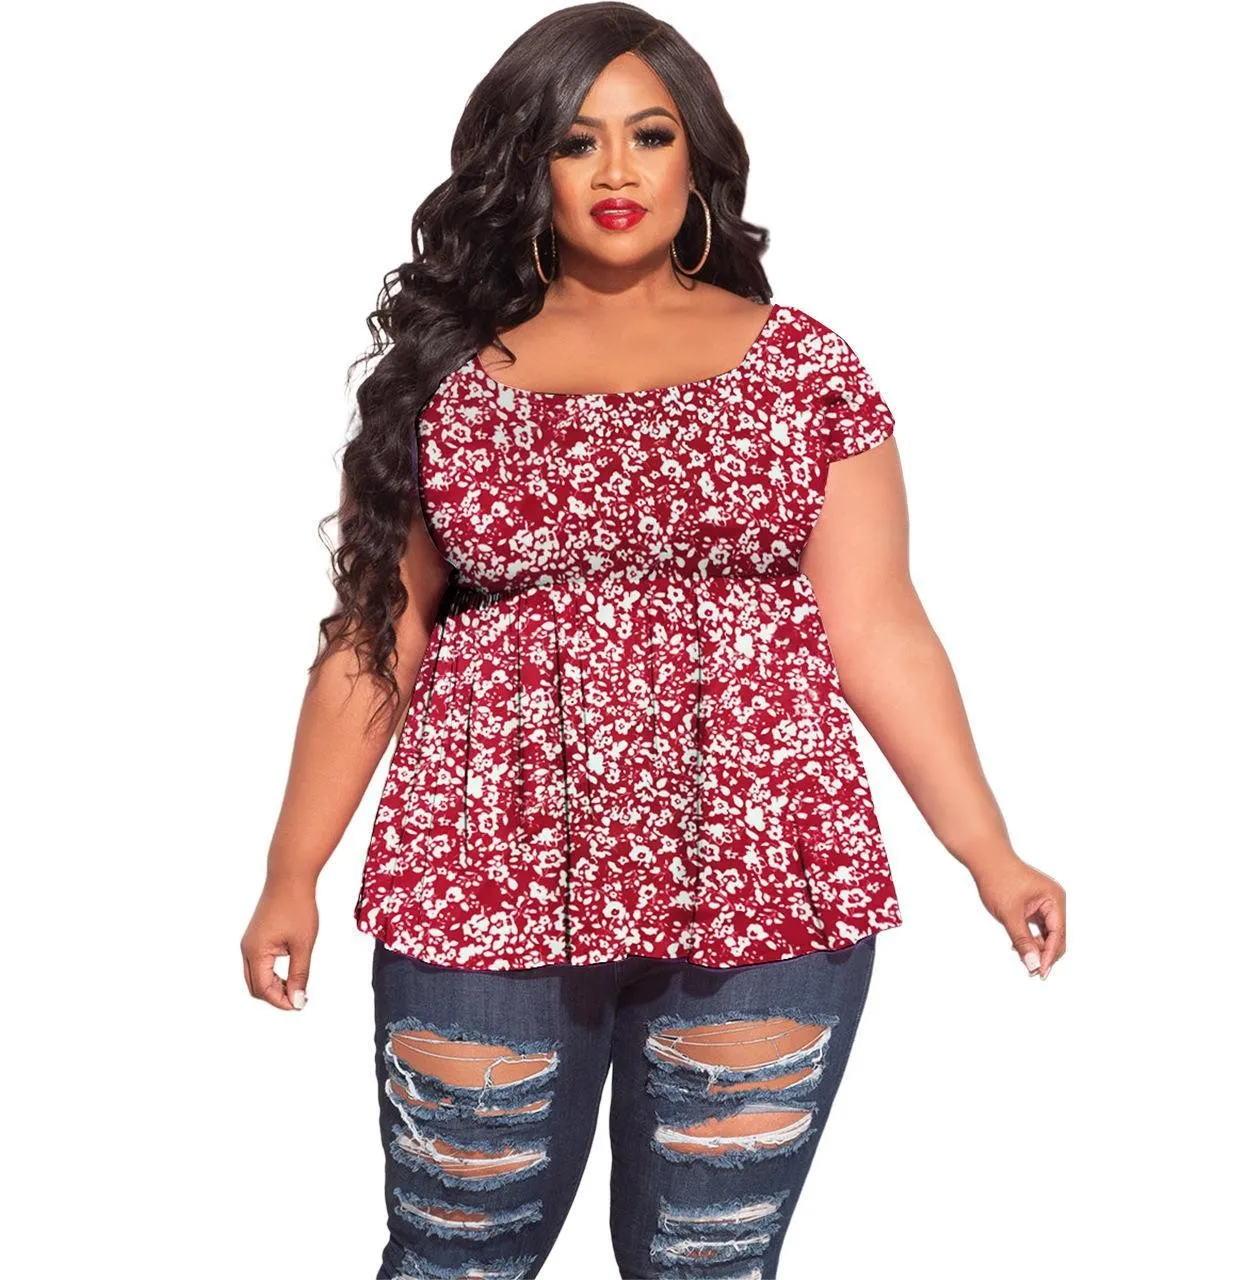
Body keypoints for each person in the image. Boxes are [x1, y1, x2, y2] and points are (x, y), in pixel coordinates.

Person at [240, 5, 1068, 1277]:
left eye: (649, 134)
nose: (615, 170)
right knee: (455, 1252)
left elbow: (878, 625)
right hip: (481, 865)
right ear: (525, 165)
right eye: (576, 142)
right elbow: (375, 634)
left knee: (707, 1259)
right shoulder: (444, 375)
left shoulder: (802, 368)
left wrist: (988, 852)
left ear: (698, 157)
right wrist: (291, 866)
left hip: (765, 863)